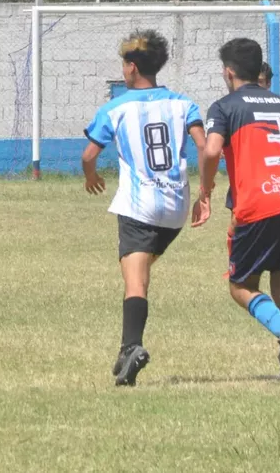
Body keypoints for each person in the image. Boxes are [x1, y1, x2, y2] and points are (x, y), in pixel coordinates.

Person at [81, 30, 208, 387]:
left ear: (132, 68)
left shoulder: (116, 108)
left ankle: (131, 347)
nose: (122, 70)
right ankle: (127, 350)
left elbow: (89, 154)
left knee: (136, 280)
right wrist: (206, 191)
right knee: (141, 269)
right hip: (176, 207)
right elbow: (206, 146)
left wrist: (90, 176)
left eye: (124, 64)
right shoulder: (184, 104)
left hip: (139, 206)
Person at [199, 38, 280, 386]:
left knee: (241, 286)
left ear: (228, 72)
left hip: (261, 203)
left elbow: (210, 152)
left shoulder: (224, 107)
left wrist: (205, 192)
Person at [224, 62, 274, 275]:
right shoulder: (236, 108)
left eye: (261, 82)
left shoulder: (277, 108)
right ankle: (235, 265)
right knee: (236, 223)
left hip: (271, 181)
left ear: (269, 84)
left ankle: (252, 267)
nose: (256, 86)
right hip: (243, 180)